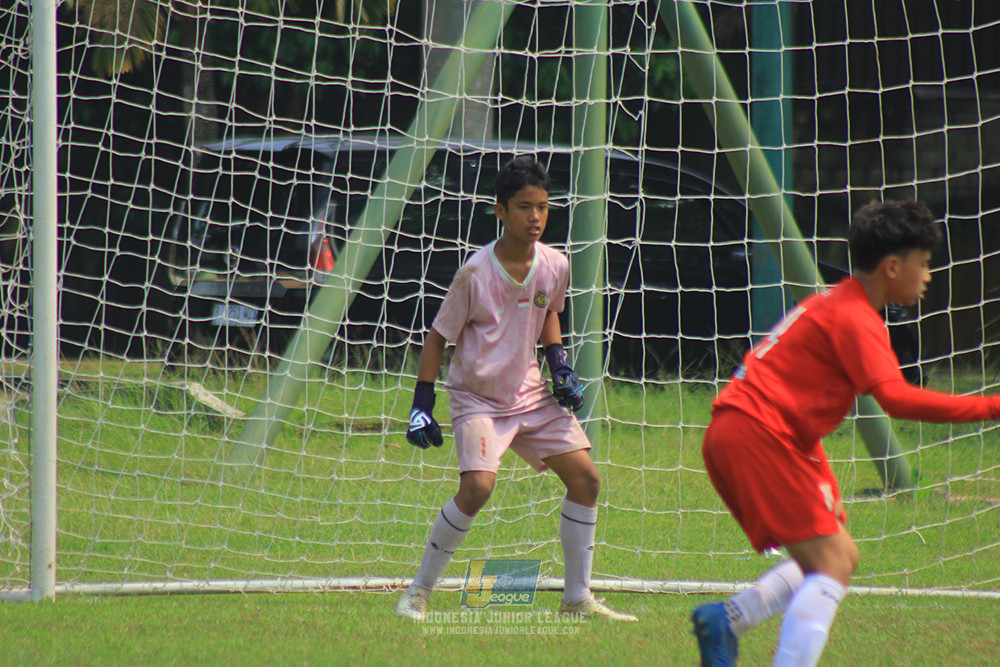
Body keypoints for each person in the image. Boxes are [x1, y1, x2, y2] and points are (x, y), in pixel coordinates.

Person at [691, 200, 1000, 666]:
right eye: (925, 263)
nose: (928, 274)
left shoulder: (837, 303)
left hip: (752, 433)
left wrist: (826, 483)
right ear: (893, 266)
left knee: (837, 550)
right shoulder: (855, 318)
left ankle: (728, 619)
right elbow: (896, 397)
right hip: (756, 436)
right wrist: (991, 407)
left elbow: (798, 402)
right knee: (833, 561)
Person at [394, 156, 635, 622]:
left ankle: (576, 599)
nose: (536, 217)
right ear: (500, 211)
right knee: (478, 489)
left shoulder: (555, 265)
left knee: (586, 480)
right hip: (478, 396)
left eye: (543, 207)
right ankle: (418, 592)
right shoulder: (475, 273)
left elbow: (547, 312)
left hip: (529, 393)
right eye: (524, 207)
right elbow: (438, 336)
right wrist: (422, 403)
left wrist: (558, 363)